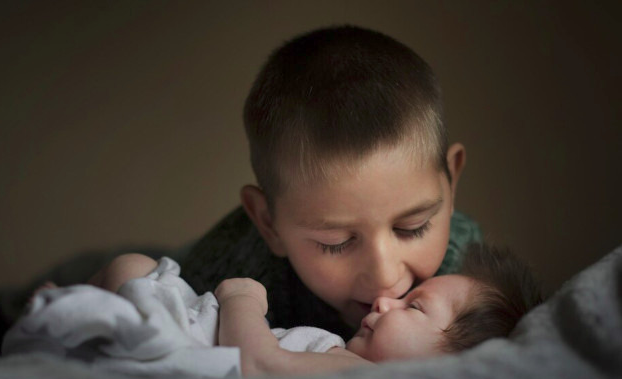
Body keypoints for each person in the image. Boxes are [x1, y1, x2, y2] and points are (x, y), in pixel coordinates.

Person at [178, 25, 482, 342]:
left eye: (413, 227)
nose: (385, 274)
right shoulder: (224, 278)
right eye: (335, 242)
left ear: (450, 183)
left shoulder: (465, 271)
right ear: (269, 223)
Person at [66, 242, 540, 377]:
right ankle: (61, 311)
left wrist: (241, 301)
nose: (384, 298)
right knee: (132, 268)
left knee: (131, 268)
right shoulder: (348, 361)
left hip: (186, 344)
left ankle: (59, 313)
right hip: (190, 330)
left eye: (414, 306)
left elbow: (256, 364)